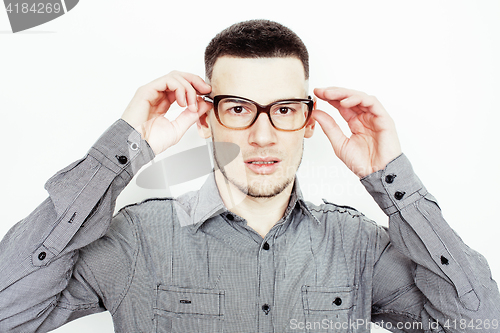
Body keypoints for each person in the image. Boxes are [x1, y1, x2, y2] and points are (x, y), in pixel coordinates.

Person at [0, 19, 498, 333]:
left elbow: (479, 325)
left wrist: (392, 182)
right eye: (239, 108)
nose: (262, 136)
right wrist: (120, 153)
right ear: (206, 119)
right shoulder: (135, 239)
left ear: (307, 122)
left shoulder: (360, 246)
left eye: (283, 109)